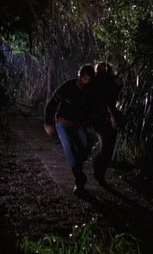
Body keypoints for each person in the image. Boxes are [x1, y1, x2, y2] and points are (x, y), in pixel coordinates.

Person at [44, 64, 96, 194]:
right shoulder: (68, 86)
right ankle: (79, 180)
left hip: (79, 124)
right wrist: (48, 122)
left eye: (89, 80)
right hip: (63, 123)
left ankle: (79, 171)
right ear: (79, 76)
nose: (86, 82)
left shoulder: (90, 91)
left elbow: (91, 109)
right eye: (85, 79)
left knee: (84, 148)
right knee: (70, 150)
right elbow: (52, 104)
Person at [90, 61, 122, 187]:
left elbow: (117, 90)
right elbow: (106, 101)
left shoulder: (110, 81)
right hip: (100, 118)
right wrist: (112, 117)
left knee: (108, 146)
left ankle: (100, 171)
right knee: (106, 146)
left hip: (105, 118)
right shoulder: (97, 82)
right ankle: (99, 172)